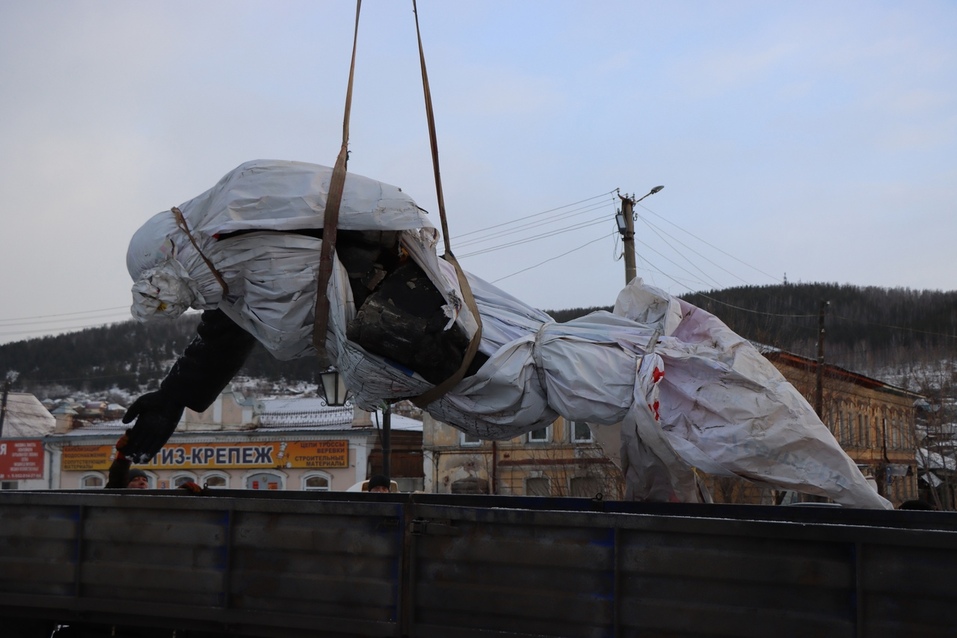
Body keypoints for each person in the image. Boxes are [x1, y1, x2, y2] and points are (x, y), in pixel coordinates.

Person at [115, 159, 892, 509]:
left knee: (578, 376)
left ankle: (832, 485)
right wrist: (172, 401)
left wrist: (385, 268)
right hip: (447, 378)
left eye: (173, 288)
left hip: (478, 351)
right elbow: (220, 337)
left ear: (186, 249)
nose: (187, 303)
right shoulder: (243, 282)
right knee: (553, 381)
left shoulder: (252, 214)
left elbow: (390, 213)